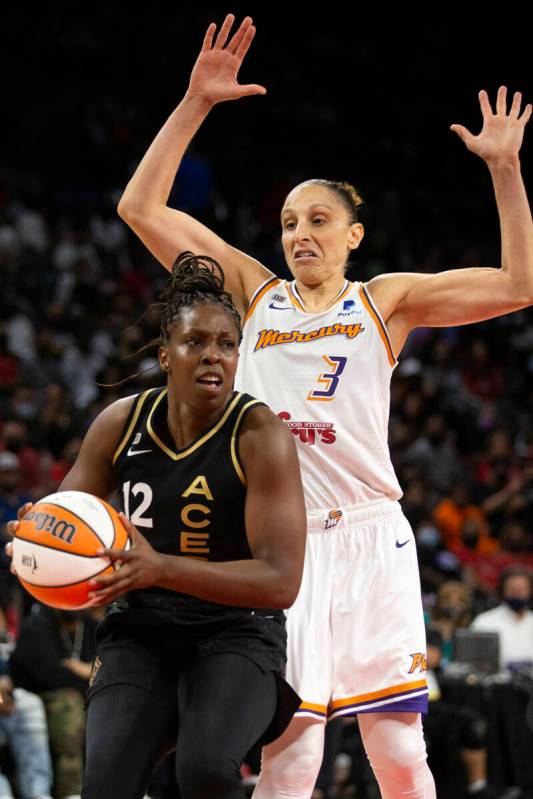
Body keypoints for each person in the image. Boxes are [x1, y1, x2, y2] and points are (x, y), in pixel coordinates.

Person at [116, 14, 533, 799]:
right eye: (286, 223)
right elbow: (140, 208)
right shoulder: (254, 291)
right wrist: (194, 103)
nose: (298, 234)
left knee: (400, 750)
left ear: (353, 236)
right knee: (292, 751)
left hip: (372, 533)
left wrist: (504, 170)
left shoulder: (385, 302)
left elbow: (518, 283)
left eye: (316, 221)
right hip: (284, 547)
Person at [8, 252, 306, 799]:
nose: (213, 356)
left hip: (237, 629)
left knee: (207, 771)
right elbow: (65, 514)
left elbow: (281, 581)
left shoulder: (261, 434)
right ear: (166, 355)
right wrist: (36, 533)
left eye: (226, 344)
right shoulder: (120, 423)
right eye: (196, 343)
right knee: (103, 785)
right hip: (140, 628)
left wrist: (160, 567)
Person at [470, 565, 533, 669]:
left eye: (522, 589)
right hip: (496, 682)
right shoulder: (484, 621)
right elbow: (473, 661)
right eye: (512, 588)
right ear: (503, 590)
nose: (517, 593)